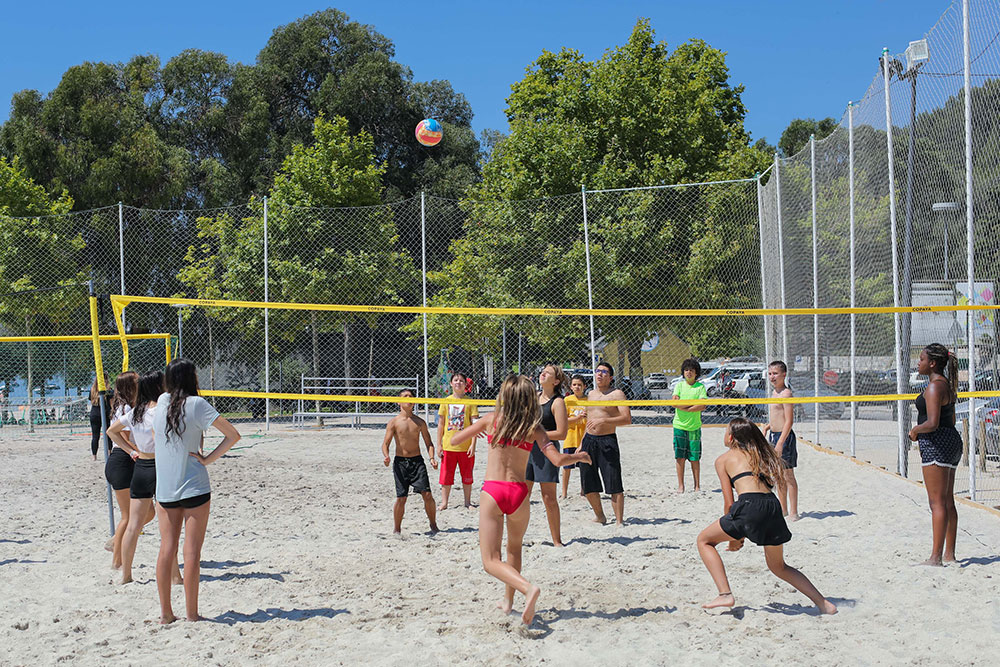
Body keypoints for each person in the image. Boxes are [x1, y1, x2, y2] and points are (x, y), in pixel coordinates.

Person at [450, 375, 590, 625]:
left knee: (490, 561)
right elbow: (557, 460)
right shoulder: (533, 428)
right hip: (519, 493)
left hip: (494, 491)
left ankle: (528, 589)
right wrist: (578, 457)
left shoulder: (491, 420)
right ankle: (508, 601)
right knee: (514, 548)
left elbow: (453, 440)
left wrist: (475, 430)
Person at [696, 418, 837, 614]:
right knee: (779, 567)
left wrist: (736, 536)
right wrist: (738, 533)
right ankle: (824, 604)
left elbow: (730, 503)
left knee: (704, 541)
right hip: (772, 505)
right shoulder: (758, 455)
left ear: (731, 437)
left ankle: (724, 594)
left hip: (749, 506)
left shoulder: (723, 459)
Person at [153, 358, 241, 624]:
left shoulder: (161, 403)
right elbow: (233, 435)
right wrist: (207, 459)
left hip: (165, 487)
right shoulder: (197, 404)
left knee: (166, 549)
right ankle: (192, 614)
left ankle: (166, 613)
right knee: (191, 553)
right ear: (191, 377)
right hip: (194, 484)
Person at [107, 370, 181, 585]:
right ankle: (175, 576)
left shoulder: (136, 412)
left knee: (133, 524)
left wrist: (131, 451)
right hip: (160, 466)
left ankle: (126, 575)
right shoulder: (163, 409)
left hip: (141, 466)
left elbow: (112, 431)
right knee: (167, 526)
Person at [908, 343, 961, 566]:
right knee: (948, 501)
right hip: (951, 441)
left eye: (921, 359)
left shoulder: (933, 387)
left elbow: (932, 422)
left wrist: (914, 431)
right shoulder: (945, 384)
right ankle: (949, 554)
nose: (918, 363)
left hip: (937, 442)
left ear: (932, 363)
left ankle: (936, 557)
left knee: (937, 503)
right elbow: (951, 419)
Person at [578, 362, 631, 525]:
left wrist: (604, 420)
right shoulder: (591, 394)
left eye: (604, 372)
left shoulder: (617, 394)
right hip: (589, 440)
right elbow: (589, 421)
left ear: (611, 377)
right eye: (598, 371)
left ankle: (619, 521)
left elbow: (627, 419)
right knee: (588, 482)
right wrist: (581, 443)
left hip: (607, 440)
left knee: (613, 481)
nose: (599, 374)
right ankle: (600, 516)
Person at [381, 388, 439, 533]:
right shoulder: (394, 422)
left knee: (427, 494)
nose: (409, 398)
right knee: (401, 498)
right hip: (400, 462)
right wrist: (386, 456)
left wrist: (432, 458)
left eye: (411, 396)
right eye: (405, 396)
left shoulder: (419, 422)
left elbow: (429, 443)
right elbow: (385, 443)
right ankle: (397, 529)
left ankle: (433, 525)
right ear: (399, 401)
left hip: (417, 462)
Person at [526, 364, 567, 546]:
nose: (543, 373)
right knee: (522, 496)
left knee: (548, 497)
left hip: (547, 449)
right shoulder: (533, 397)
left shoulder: (558, 402)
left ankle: (556, 541)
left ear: (556, 381)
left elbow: (562, 433)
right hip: (527, 450)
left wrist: (538, 434)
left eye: (547, 373)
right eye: (542, 371)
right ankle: (517, 537)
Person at [105, 371, 139, 569]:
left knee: (146, 512)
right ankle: (117, 561)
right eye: (136, 380)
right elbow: (123, 437)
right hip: (122, 461)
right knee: (128, 516)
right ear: (129, 386)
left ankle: (116, 540)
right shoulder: (125, 407)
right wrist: (138, 452)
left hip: (127, 460)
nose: (140, 382)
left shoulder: (128, 405)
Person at [436, 372, 479, 510]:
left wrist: (473, 445)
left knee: (467, 476)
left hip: (465, 447)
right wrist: (439, 444)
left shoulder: (470, 402)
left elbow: (475, 425)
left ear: (466, 384)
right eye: (455, 380)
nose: (458, 382)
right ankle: (444, 502)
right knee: (446, 476)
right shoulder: (446, 401)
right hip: (449, 445)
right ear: (451, 383)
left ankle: (467, 502)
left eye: (461, 380)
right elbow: (441, 424)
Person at [763, 361, 798, 520]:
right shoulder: (774, 393)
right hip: (774, 435)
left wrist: (780, 443)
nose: (772, 377)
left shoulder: (786, 393)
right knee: (778, 475)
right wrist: (768, 427)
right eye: (770, 373)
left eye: (775, 373)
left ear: (784, 374)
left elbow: (789, 422)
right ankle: (783, 510)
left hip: (784, 438)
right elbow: (777, 417)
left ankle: (793, 512)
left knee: (788, 475)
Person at [672, 358, 708, 493]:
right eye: (686, 370)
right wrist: (692, 405)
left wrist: (685, 407)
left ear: (696, 373)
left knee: (694, 458)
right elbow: (675, 403)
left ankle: (697, 486)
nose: (689, 372)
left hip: (694, 427)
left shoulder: (700, 387)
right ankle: (681, 486)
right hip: (679, 426)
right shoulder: (679, 386)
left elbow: (703, 405)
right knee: (679, 457)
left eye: (691, 370)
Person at [561, 374, 587, 499]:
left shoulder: (588, 401)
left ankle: (583, 491)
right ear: (571, 387)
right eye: (574, 385)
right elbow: (563, 420)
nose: (577, 387)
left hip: (583, 437)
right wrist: (577, 418)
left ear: (584, 387)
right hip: (570, 437)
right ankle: (564, 492)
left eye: (579, 385)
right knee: (567, 467)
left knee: (584, 467)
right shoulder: (567, 400)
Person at [88, 375, 111, 461]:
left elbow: (91, 400)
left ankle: (94, 456)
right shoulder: (108, 390)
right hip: (105, 413)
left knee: (95, 436)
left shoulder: (93, 389)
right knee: (109, 434)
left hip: (94, 413)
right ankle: (109, 452)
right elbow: (110, 402)